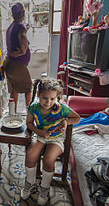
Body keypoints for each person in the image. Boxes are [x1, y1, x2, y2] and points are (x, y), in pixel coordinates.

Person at [21, 77, 80, 205]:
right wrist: (39, 132)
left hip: (57, 139)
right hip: (40, 136)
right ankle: (29, 183)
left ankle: (45, 188)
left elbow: (77, 118)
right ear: (38, 95)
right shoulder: (34, 107)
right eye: (44, 98)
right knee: (30, 156)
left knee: (48, 159)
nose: (48, 102)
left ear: (57, 97)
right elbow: (29, 123)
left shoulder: (61, 108)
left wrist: (66, 121)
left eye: (52, 99)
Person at [3, 2, 32, 113]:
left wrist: (25, 29)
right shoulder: (21, 27)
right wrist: (20, 52)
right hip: (17, 65)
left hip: (9, 62)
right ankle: (29, 113)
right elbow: (23, 48)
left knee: (14, 89)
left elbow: (18, 36)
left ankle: (12, 114)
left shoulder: (11, 26)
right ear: (23, 13)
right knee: (28, 88)